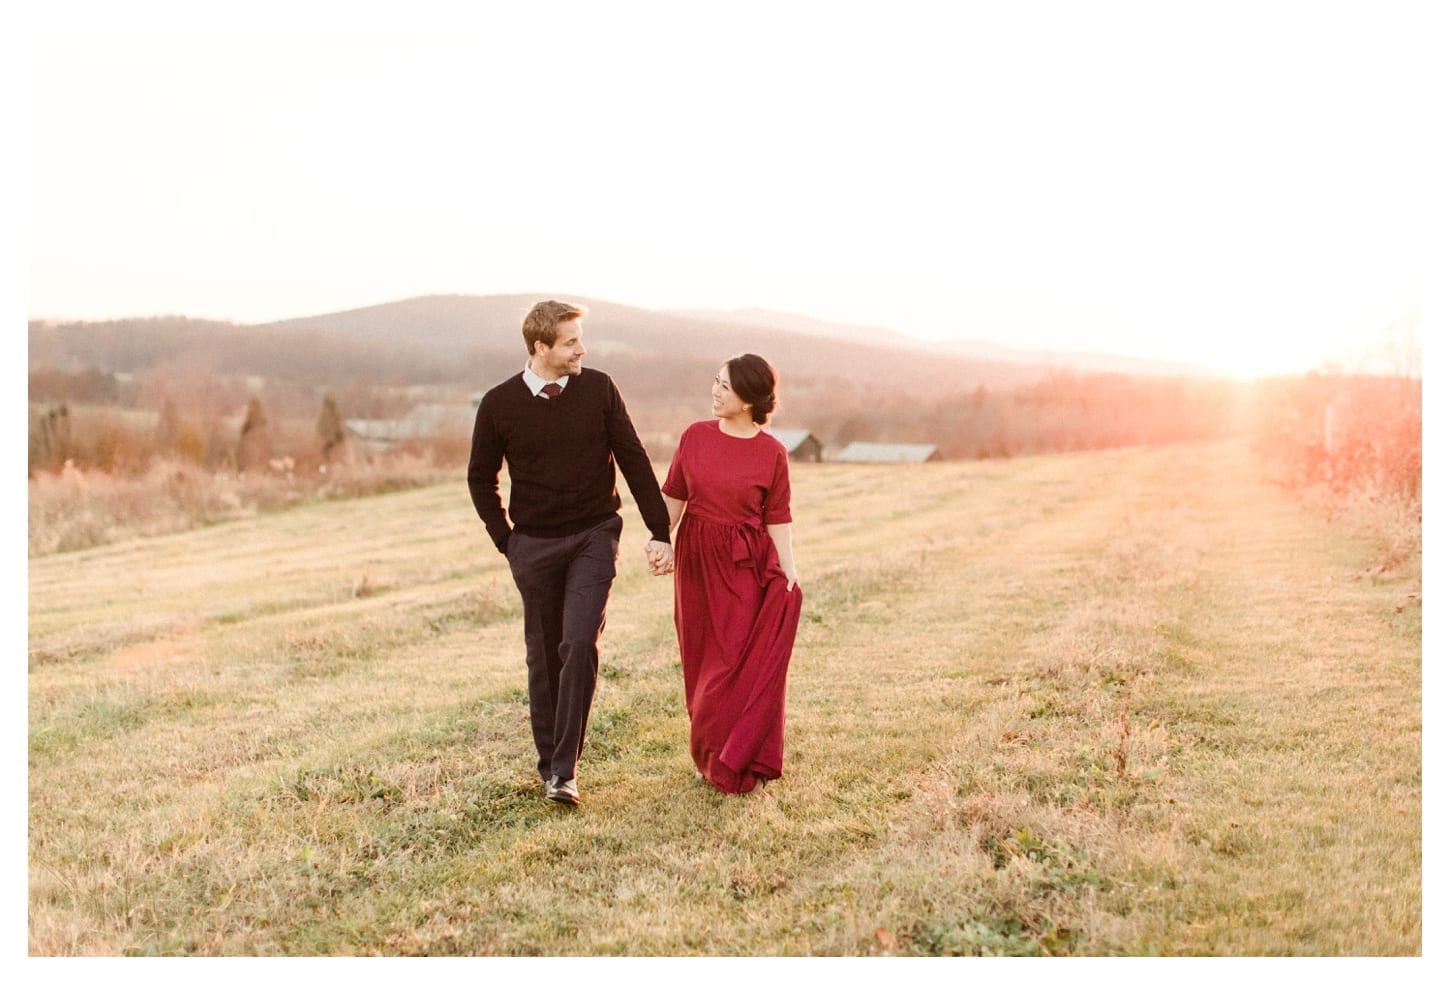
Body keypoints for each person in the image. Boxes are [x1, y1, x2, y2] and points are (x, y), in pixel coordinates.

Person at [467, 299, 674, 806]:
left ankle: (565, 771)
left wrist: (660, 530)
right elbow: (480, 478)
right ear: (541, 348)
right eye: (571, 341)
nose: (583, 348)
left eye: (581, 338)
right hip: (533, 546)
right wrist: (507, 541)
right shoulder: (499, 404)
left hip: (593, 536)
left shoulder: (599, 389)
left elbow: (633, 456)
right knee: (544, 657)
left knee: (579, 645)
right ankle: (550, 767)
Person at [660, 353, 803, 795]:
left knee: (734, 662)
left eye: (724, 386)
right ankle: (708, 755)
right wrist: (660, 539)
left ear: (748, 398)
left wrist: (790, 572)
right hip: (696, 561)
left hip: (744, 565)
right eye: (715, 382)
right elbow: (674, 498)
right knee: (702, 661)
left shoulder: (773, 452)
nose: (715, 392)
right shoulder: (695, 436)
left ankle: (737, 756)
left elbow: (777, 516)